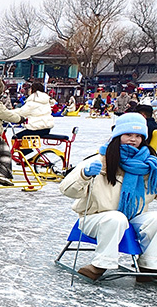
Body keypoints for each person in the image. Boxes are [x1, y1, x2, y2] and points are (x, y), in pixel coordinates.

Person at [59, 113, 157, 281]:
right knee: (115, 218)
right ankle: (100, 264)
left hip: (132, 217)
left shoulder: (149, 166)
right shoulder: (100, 160)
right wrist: (84, 174)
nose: (133, 139)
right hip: (94, 218)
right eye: (128, 135)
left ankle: (149, 264)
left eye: (138, 136)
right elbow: (66, 190)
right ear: (118, 135)